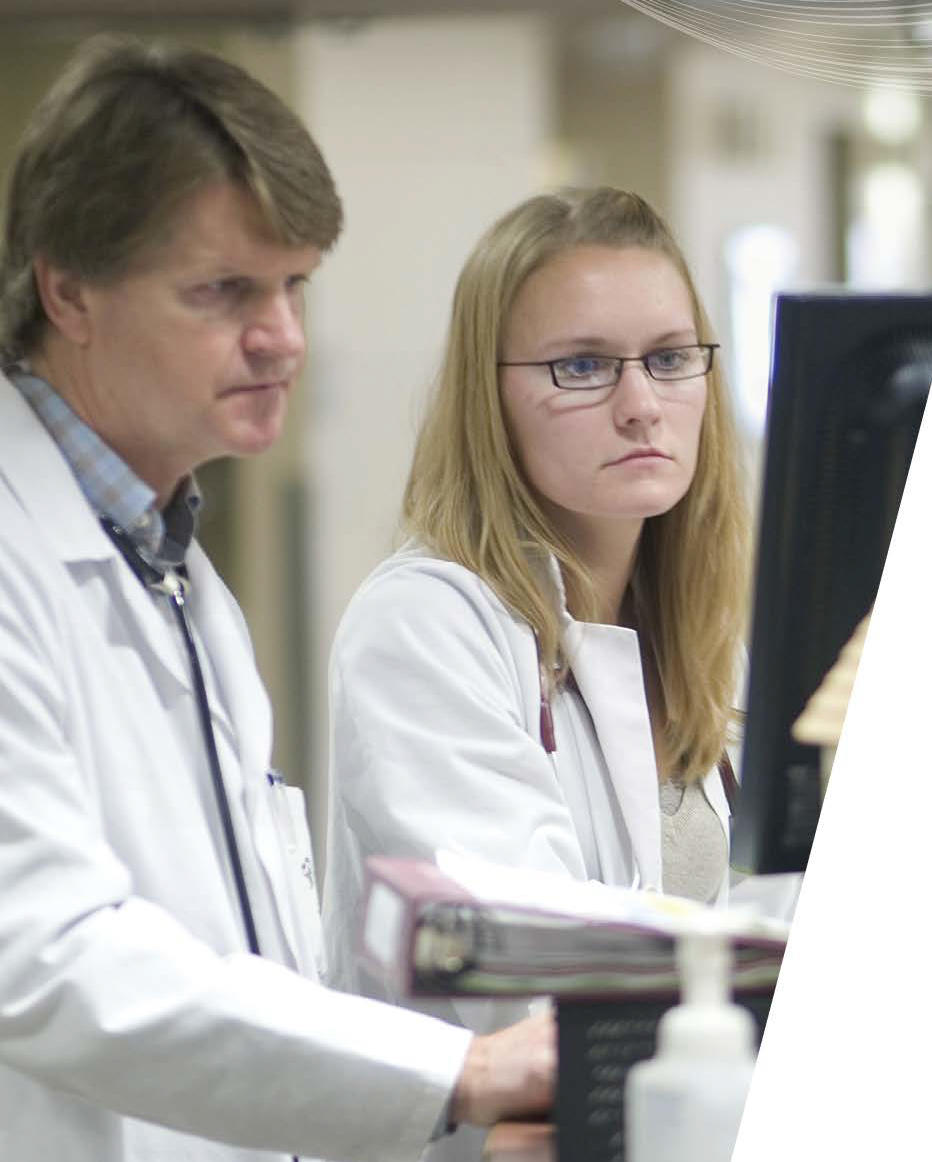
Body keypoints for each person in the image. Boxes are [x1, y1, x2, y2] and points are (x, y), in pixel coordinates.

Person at [0, 35, 555, 1162]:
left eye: (295, 284)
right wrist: (461, 1072)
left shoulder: (181, 575)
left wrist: (434, 1115)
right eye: (223, 292)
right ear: (68, 290)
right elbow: (44, 956)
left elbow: (250, 960)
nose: (283, 338)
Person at [323, 187, 749, 1155]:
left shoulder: (700, 634)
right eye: (582, 365)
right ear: (491, 394)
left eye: (669, 359)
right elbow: (528, 969)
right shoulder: (426, 624)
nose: (640, 403)